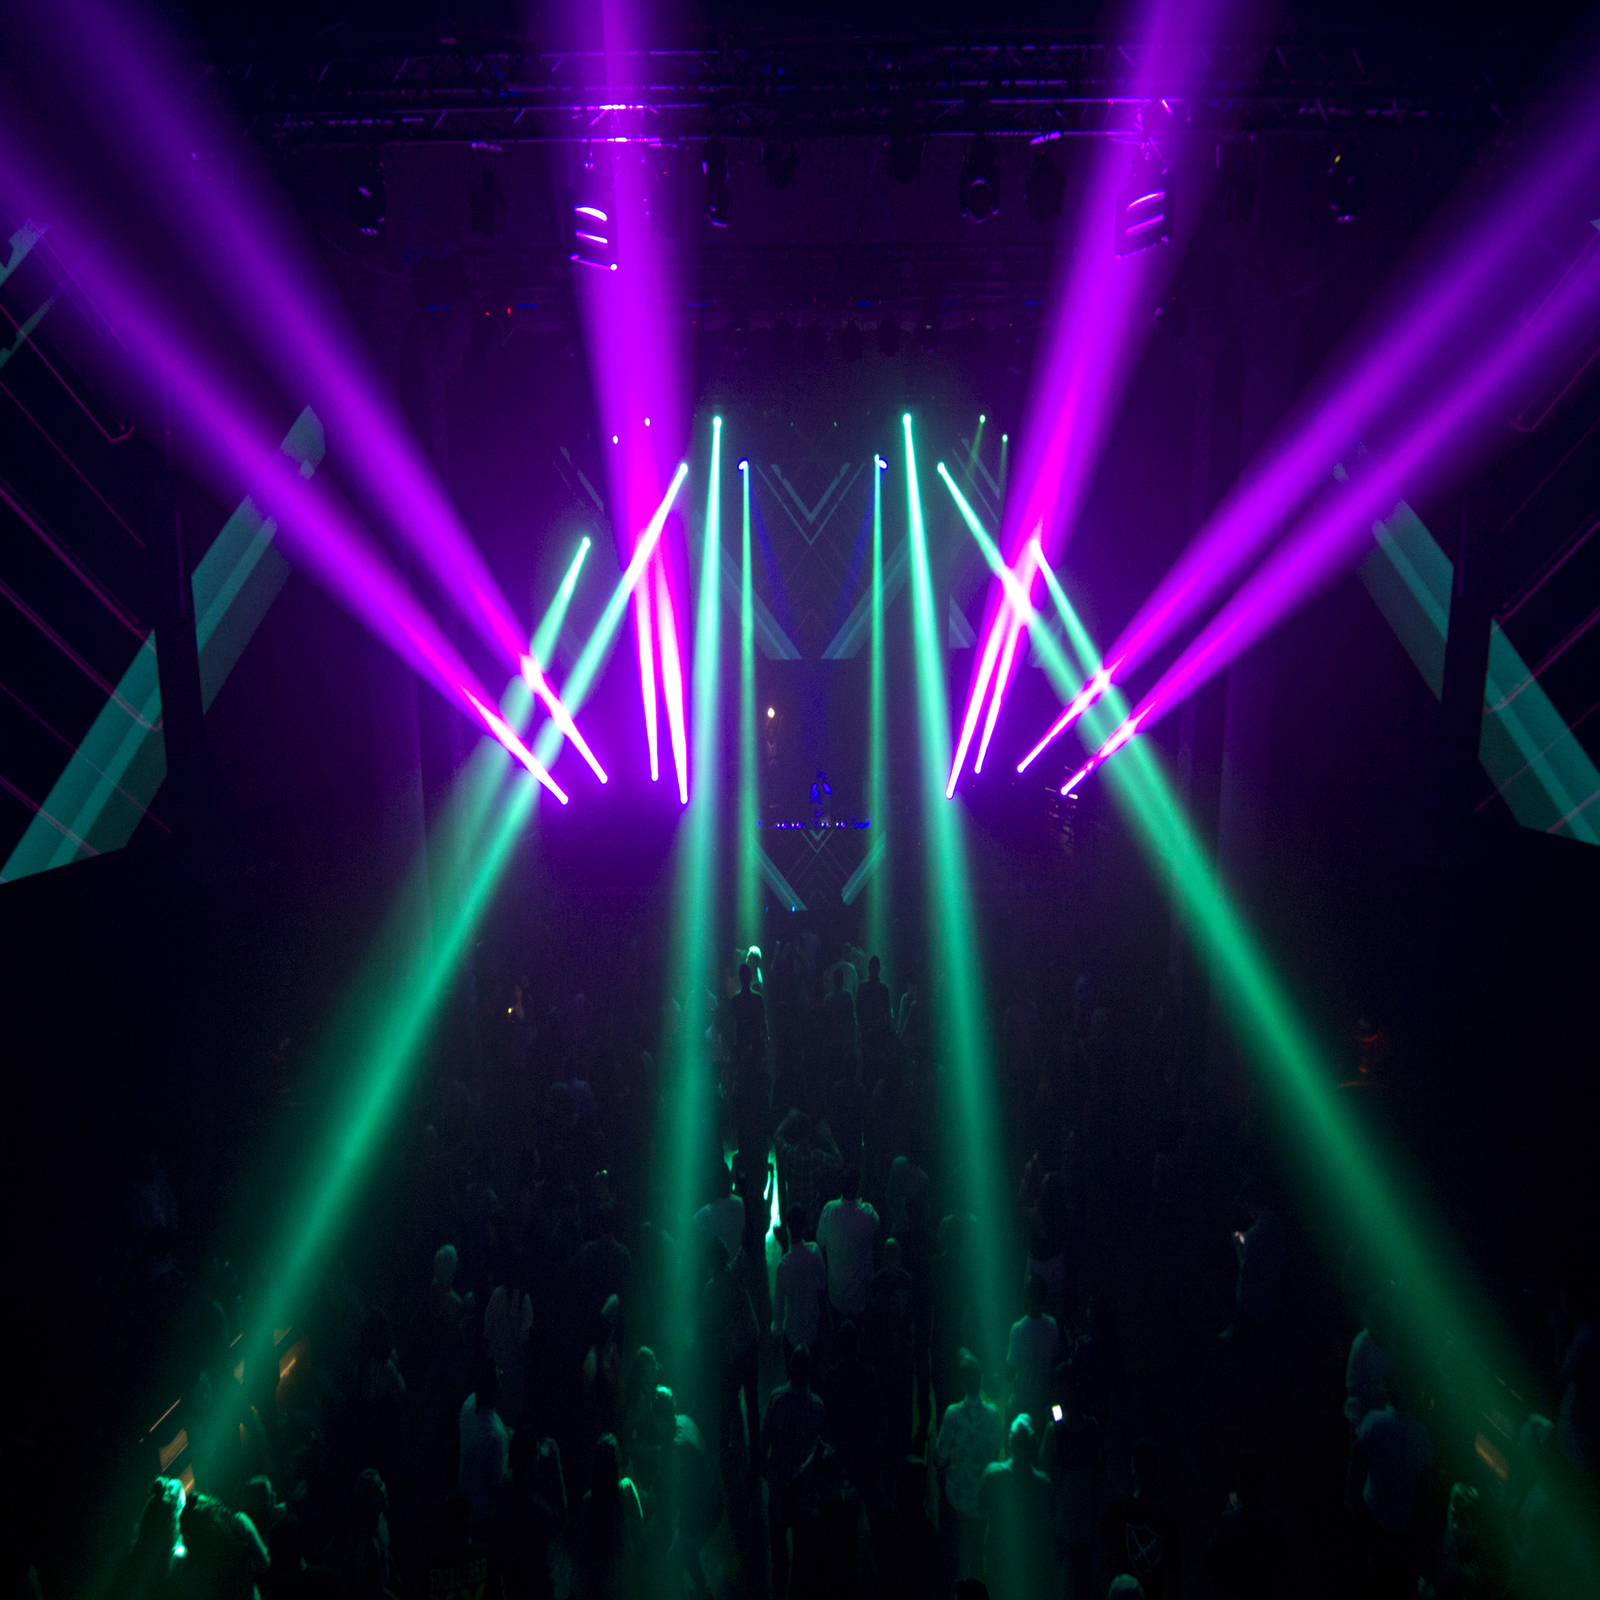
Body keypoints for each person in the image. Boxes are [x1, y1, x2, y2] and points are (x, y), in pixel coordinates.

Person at [763, 1343, 828, 1599]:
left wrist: (766, 1473)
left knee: (778, 1555)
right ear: (809, 1372)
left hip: (779, 1489)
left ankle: (779, 1591)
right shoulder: (817, 1407)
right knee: (802, 1556)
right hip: (803, 1496)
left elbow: (764, 1440)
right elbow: (821, 1453)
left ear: (790, 1369)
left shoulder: (776, 1398)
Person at [935, 1349, 1005, 1582]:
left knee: (960, 1551)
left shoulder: (952, 1414)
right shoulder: (993, 1414)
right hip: (983, 1497)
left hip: (958, 1497)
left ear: (962, 1382)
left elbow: (940, 1457)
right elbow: (996, 1451)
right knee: (976, 1550)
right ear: (980, 1379)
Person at [1040, 1367, 1103, 1600]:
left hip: (1060, 1521)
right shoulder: (1094, 1428)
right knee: (1083, 1581)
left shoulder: (1054, 1430)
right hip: (1086, 1522)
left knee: (1053, 1577)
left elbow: (1043, 1467)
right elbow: (1101, 1471)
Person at [977, 1414, 1055, 1600]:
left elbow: (982, 1507)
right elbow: (1049, 1528)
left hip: (998, 1558)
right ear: (1032, 1444)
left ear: (1010, 1442)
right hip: (1031, 1563)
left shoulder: (993, 1475)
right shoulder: (1043, 1484)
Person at [1100, 1440, 1181, 1600]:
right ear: (1158, 1471)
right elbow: (1174, 1581)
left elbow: (1104, 1562)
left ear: (1133, 1467)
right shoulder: (1167, 1523)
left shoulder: (1117, 1513)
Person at [572, 1435, 642, 1600]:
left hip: (598, 1580)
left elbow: (582, 1546)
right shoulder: (626, 1490)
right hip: (624, 1575)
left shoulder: (588, 1500)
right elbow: (639, 1529)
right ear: (616, 1462)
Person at [822, 1319, 882, 1495]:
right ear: (857, 1344)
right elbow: (878, 1414)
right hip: (866, 1451)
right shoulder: (869, 1374)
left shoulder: (830, 1376)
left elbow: (827, 1418)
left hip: (842, 1451)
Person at [816, 1166, 879, 1321]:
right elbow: (877, 1231)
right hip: (861, 1297)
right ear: (858, 1185)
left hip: (836, 1297)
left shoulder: (829, 1210)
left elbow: (820, 1242)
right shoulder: (868, 1214)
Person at [459, 1359, 511, 1527]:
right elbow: (497, 1487)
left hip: (465, 1500)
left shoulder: (469, 1403)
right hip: (483, 1515)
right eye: (499, 1377)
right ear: (497, 1389)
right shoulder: (494, 1436)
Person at [1005, 1275, 1060, 1430]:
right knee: (1053, 1433)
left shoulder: (1018, 1329)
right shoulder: (1052, 1325)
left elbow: (1009, 1374)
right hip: (1045, 1404)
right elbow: (1056, 1366)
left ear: (1026, 1296)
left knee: (1011, 1429)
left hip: (1022, 1405)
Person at [773, 1218, 829, 1358]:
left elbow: (779, 1303)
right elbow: (822, 1285)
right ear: (804, 1228)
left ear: (788, 1230)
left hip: (792, 1332)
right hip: (813, 1330)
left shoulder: (783, 1265)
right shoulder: (814, 1251)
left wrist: (777, 1330)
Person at [1344, 1295, 1396, 1430]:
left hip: (1384, 1415)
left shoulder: (1392, 1340)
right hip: (1361, 1417)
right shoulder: (1362, 1344)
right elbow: (1353, 1387)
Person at [856, 955, 893, 1043]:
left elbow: (858, 1009)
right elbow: (888, 1010)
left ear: (869, 969)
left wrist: (861, 1027)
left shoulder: (862, 987)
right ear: (879, 969)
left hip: (866, 1030)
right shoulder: (883, 987)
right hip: (881, 1031)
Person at [824, 965, 857, 1056]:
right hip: (846, 1038)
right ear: (842, 981)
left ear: (833, 981)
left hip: (833, 1038)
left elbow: (826, 1020)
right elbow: (851, 1018)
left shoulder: (828, 998)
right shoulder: (848, 996)